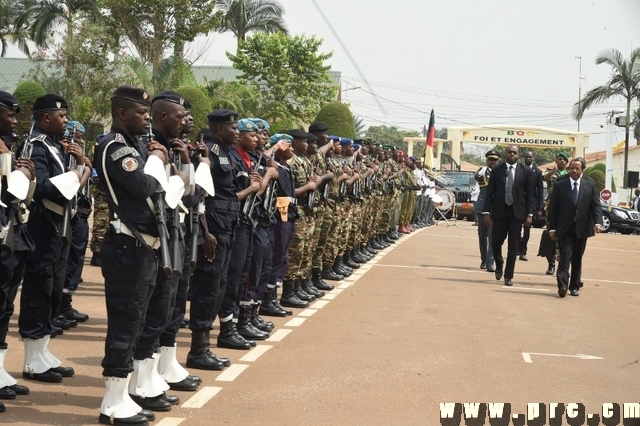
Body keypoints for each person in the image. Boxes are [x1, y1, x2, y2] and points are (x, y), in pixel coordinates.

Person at [95, 85, 170, 425]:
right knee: (125, 322)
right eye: (141, 113)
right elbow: (141, 186)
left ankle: (124, 393)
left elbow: (161, 190)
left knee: (138, 318)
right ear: (122, 113)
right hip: (127, 246)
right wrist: (156, 159)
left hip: (143, 246)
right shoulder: (114, 147)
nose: (147, 119)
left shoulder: (136, 146)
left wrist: (153, 160)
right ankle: (111, 403)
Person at [20, 94, 90, 384]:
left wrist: (79, 165)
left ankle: (43, 349)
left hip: (58, 226)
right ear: (46, 117)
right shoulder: (37, 145)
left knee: (52, 287)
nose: (65, 122)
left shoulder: (53, 144)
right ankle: (32, 358)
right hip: (43, 224)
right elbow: (46, 187)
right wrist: (80, 173)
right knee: (39, 287)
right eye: (61, 117)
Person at [0, 92, 35, 411]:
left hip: (13, 234)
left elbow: (19, 198)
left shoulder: (8, 148)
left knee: (5, 305)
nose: (15, 120)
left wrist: (28, 177)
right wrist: (20, 177)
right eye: (9, 114)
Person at [547, 158, 602, 297]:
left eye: (577, 168)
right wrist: (552, 228)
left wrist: (597, 222)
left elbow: (595, 206)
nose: (574, 171)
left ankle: (574, 285)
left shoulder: (590, 185)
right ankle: (563, 286)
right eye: (572, 168)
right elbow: (554, 209)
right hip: (565, 228)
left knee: (577, 258)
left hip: (582, 228)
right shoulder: (560, 185)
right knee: (565, 256)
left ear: (582, 170)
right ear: (568, 169)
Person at [482, 144, 535, 286]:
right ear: (505, 154)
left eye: (515, 153)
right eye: (510, 152)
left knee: (513, 246)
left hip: (517, 214)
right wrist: (487, 212)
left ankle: (509, 275)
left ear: (518, 155)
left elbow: (530, 195)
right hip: (499, 212)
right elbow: (489, 193)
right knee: (495, 242)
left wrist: (530, 214)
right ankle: (499, 263)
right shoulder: (497, 170)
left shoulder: (525, 171)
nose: (512, 155)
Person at [540, 152, 569, 275]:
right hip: (551, 207)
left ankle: (562, 264)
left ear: (566, 162)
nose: (561, 161)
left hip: (564, 208)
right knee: (550, 235)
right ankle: (551, 264)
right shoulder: (549, 172)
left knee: (563, 237)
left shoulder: (569, 174)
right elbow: (544, 178)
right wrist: (552, 172)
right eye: (559, 159)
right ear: (556, 161)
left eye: (564, 159)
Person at [474, 149, 500, 273]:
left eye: (495, 160)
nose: (493, 162)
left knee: (493, 236)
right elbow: (477, 177)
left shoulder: (502, 171)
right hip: (482, 206)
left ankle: (490, 262)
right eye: (491, 160)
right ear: (487, 160)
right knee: (482, 235)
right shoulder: (483, 171)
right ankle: (484, 260)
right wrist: (482, 171)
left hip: (495, 208)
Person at [518, 150, 543, 261]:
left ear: (533, 158)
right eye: (526, 157)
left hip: (530, 205)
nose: (528, 158)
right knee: (516, 229)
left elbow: (540, 190)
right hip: (518, 205)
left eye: (530, 157)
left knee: (527, 231)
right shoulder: (519, 169)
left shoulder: (537, 172)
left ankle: (523, 251)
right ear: (523, 158)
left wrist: (539, 208)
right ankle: (517, 249)